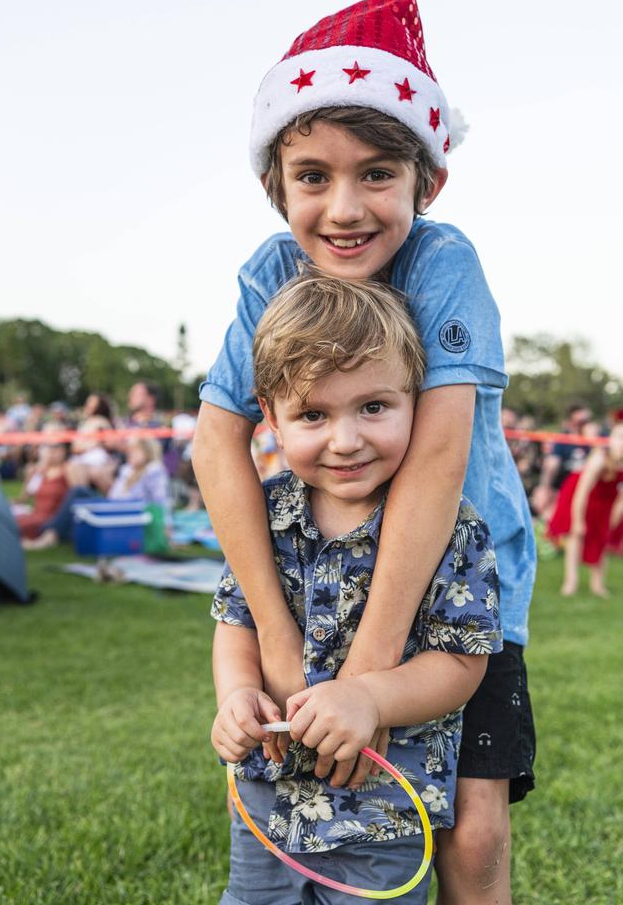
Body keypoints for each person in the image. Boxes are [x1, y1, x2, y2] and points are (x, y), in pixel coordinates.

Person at [194, 0, 536, 903]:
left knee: (467, 825)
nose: (344, 208)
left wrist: (371, 677)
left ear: (427, 179)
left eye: (375, 173)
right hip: (316, 580)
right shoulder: (270, 273)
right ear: (278, 185)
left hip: (461, 588)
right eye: (314, 176)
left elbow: (438, 451)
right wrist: (275, 638)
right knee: (298, 798)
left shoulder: (443, 261)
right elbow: (217, 444)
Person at [211, 273, 502, 904]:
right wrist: (236, 696)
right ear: (271, 418)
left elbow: (461, 662)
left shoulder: (452, 528)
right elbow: (238, 623)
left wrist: (371, 698)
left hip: (384, 810)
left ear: (415, 402)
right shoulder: (265, 515)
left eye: (373, 407)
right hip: (268, 801)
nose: (347, 441)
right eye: (313, 414)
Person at [24, 437, 170, 549]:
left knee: (79, 492)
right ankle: (52, 531)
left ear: (147, 452)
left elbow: (161, 501)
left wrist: (167, 528)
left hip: (128, 513)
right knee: (79, 505)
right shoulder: (128, 470)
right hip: (116, 508)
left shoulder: (154, 471)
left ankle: (50, 535)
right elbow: (114, 495)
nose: (129, 454)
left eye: (134, 451)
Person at [549, 420, 623, 597]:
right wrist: (578, 520)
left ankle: (598, 584)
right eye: (620, 438)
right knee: (576, 536)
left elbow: (621, 500)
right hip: (578, 498)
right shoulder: (599, 459)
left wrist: (612, 521)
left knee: (601, 540)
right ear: (609, 439)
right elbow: (581, 492)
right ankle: (570, 581)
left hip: (604, 503)